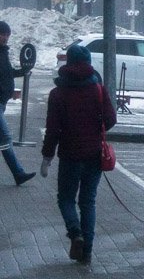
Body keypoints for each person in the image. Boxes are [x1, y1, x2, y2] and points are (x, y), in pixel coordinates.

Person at [40, 43, 116, 264]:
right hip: (94, 154)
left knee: (65, 198)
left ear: (69, 62)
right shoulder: (98, 90)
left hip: (70, 154)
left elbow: (53, 129)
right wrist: (96, 128)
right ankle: (88, 251)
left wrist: (47, 157)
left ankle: (75, 234)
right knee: (88, 202)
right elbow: (111, 119)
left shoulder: (58, 93)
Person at [0, 20, 35, 185]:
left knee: (3, 139)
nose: (5, 37)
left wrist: (21, 72)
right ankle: (18, 173)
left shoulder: (3, 52)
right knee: (5, 136)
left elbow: (6, 74)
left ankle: (18, 173)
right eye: (2, 34)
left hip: (1, 101)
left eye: (7, 34)